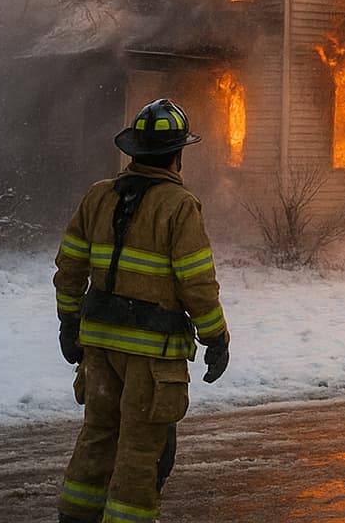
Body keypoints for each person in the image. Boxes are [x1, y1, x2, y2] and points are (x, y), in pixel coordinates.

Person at [53, 98, 230, 523]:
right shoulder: (178, 206)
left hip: (97, 345)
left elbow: (70, 265)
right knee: (140, 446)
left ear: (134, 151)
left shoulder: (98, 197)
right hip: (153, 355)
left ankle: (76, 516)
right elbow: (196, 282)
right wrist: (216, 336)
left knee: (98, 435)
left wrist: (69, 320)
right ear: (177, 155)